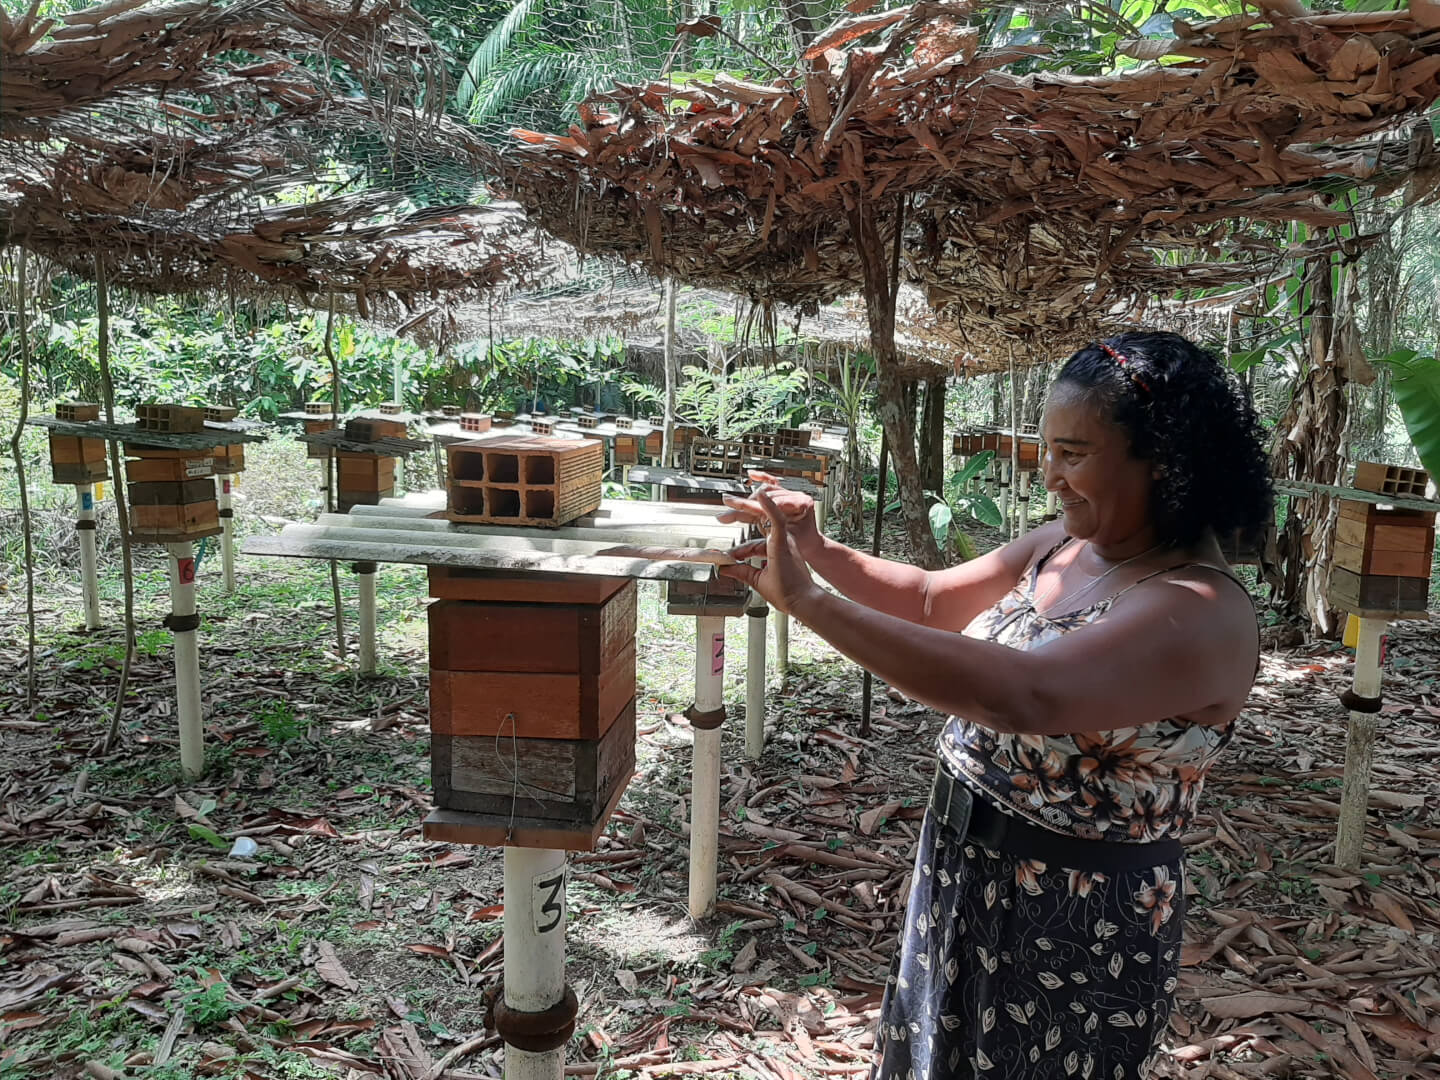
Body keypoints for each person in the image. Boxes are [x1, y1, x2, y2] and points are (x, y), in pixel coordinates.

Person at [718, 332, 1272, 1080]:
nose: (1050, 475)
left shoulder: (1201, 611)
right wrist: (817, 547)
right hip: (962, 872)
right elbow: (927, 598)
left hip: (1074, 922)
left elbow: (1023, 693)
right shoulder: (1064, 546)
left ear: (1166, 461)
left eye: (1073, 454)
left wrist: (809, 602)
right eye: (1048, 449)